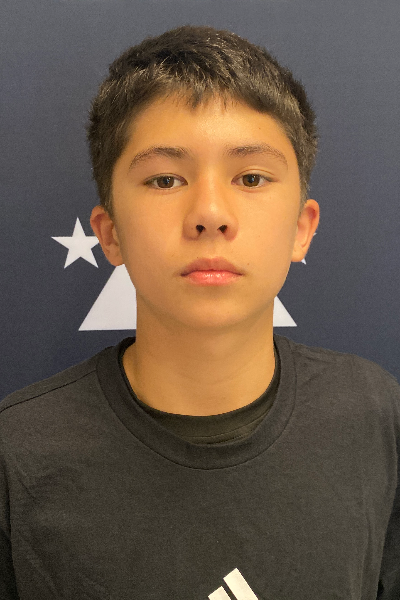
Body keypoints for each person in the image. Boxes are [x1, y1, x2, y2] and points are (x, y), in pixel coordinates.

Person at [0, 24, 399, 600]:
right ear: (110, 234)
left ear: (301, 228)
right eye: (165, 179)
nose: (210, 213)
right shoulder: (18, 456)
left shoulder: (375, 416)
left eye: (251, 177)